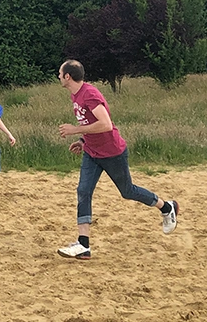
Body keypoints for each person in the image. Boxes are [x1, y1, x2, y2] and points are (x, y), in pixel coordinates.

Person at [56, 59, 179, 260]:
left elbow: (105, 124)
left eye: (60, 73)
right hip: (92, 152)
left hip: (112, 152)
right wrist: (82, 140)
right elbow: (90, 122)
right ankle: (83, 244)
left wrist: (75, 130)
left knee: (127, 191)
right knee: (83, 191)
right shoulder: (75, 95)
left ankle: (167, 207)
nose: (58, 76)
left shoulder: (89, 94)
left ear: (67, 76)